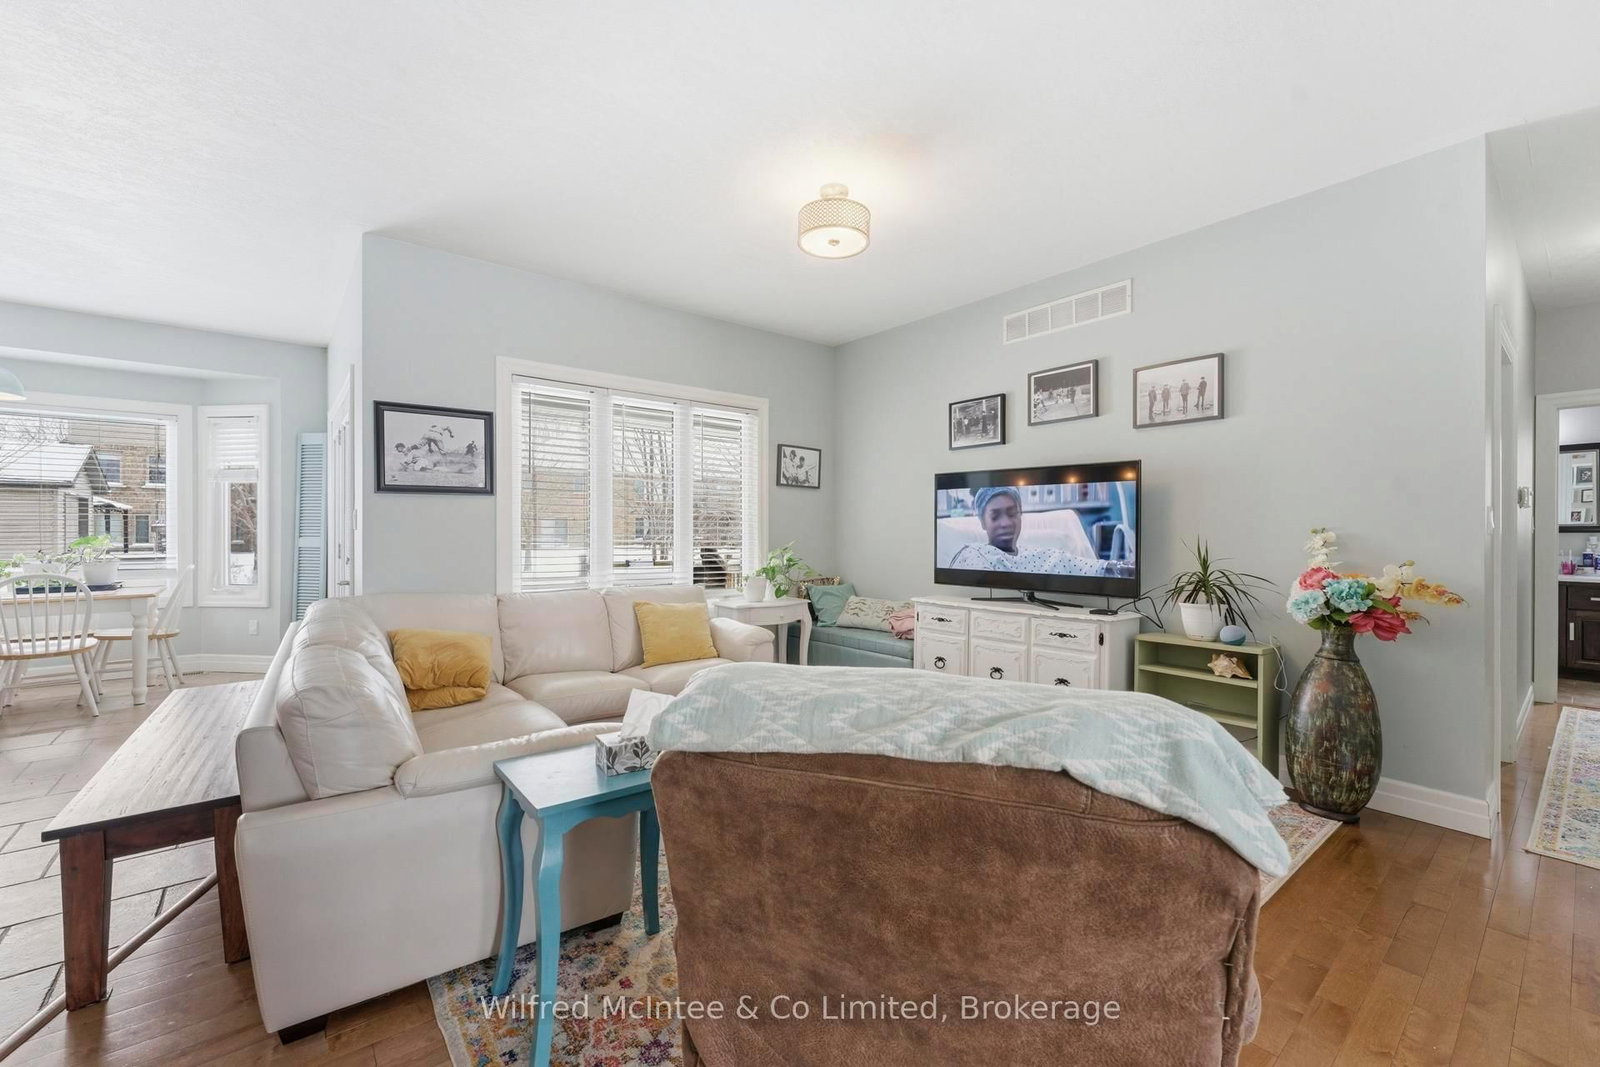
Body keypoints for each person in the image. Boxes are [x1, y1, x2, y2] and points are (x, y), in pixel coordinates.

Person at [947, 486, 1116, 577]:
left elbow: (1088, 567)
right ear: (983, 522)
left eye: (1012, 514)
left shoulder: (1045, 556)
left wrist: (1119, 568)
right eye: (995, 516)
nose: (1005, 523)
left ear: (1020, 515)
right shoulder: (973, 555)